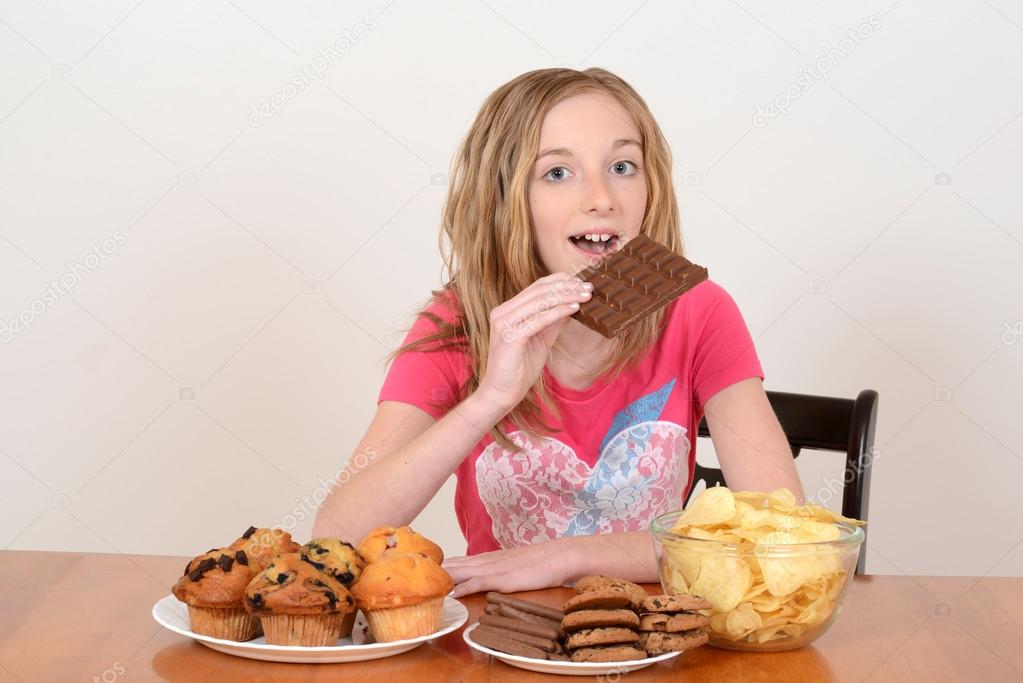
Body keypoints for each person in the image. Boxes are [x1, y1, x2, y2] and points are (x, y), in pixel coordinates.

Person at [312, 67, 804, 597]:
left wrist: (567, 557)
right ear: (505, 199)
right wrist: (489, 399)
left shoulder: (697, 312)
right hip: (501, 637)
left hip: (650, 637)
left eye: (622, 166)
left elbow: (779, 531)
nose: (601, 198)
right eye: (557, 173)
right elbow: (336, 536)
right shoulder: (460, 323)